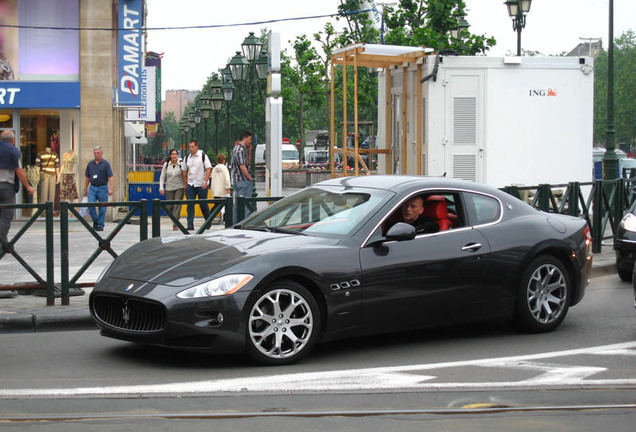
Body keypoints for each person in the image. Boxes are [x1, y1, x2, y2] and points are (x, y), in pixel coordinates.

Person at [0, 130, 34, 298]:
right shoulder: (14, 151)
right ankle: (2, 244)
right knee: (6, 217)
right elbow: (19, 171)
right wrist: (28, 187)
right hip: (6, 188)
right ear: (13, 140)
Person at [181, 140, 211, 230]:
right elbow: (184, 171)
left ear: (197, 147)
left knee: (203, 204)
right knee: (190, 204)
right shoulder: (187, 158)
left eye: (192, 147)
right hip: (191, 183)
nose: (191, 148)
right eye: (190, 147)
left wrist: (205, 181)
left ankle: (208, 221)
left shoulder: (203, 156)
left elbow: (208, 169)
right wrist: (185, 183)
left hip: (201, 183)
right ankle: (190, 224)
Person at [83, 146, 114, 232]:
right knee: (90, 205)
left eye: (98, 153)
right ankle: (96, 221)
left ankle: (100, 225)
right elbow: (87, 177)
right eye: (95, 153)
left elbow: (111, 177)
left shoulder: (106, 164)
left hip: (103, 187)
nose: (96, 155)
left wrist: (111, 189)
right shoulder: (90, 164)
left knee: (102, 208)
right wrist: (85, 189)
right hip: (92, 187)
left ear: (101, 154)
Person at [230, 130, 254, 222]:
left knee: (237, 205)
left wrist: (250, 151)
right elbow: (243, 166)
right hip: (243, 180)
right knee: (246, 206)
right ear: (245, 138)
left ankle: (235, 223)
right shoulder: (240, 150)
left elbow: (246, 163)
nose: (250, 141)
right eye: (250, 139)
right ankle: (244, 223)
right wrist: (250, 178)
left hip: (237, 180)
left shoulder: (237, 149)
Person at [159, 149, 185, 231]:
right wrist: (161, 187)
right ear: (170, 155)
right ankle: (175, 217)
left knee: (176, 205)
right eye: (173, 154)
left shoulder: (181, 164)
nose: (174, 156)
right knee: (169, 206)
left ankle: (175, 224)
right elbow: (162, 176)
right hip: (169, 188)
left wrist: (185, 185)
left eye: (175, 154)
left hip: (179, 187)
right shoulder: (166, 165)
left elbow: (185, 175)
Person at [211, 153, 231, 223]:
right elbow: (227, 178)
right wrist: (228, 187)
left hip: (216, 191)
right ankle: (226, 219)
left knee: (216, 206)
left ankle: (210, 217)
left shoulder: (214, 169)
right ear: (223, 161)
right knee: (227, 206)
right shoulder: (225, 169)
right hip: (223, 191)